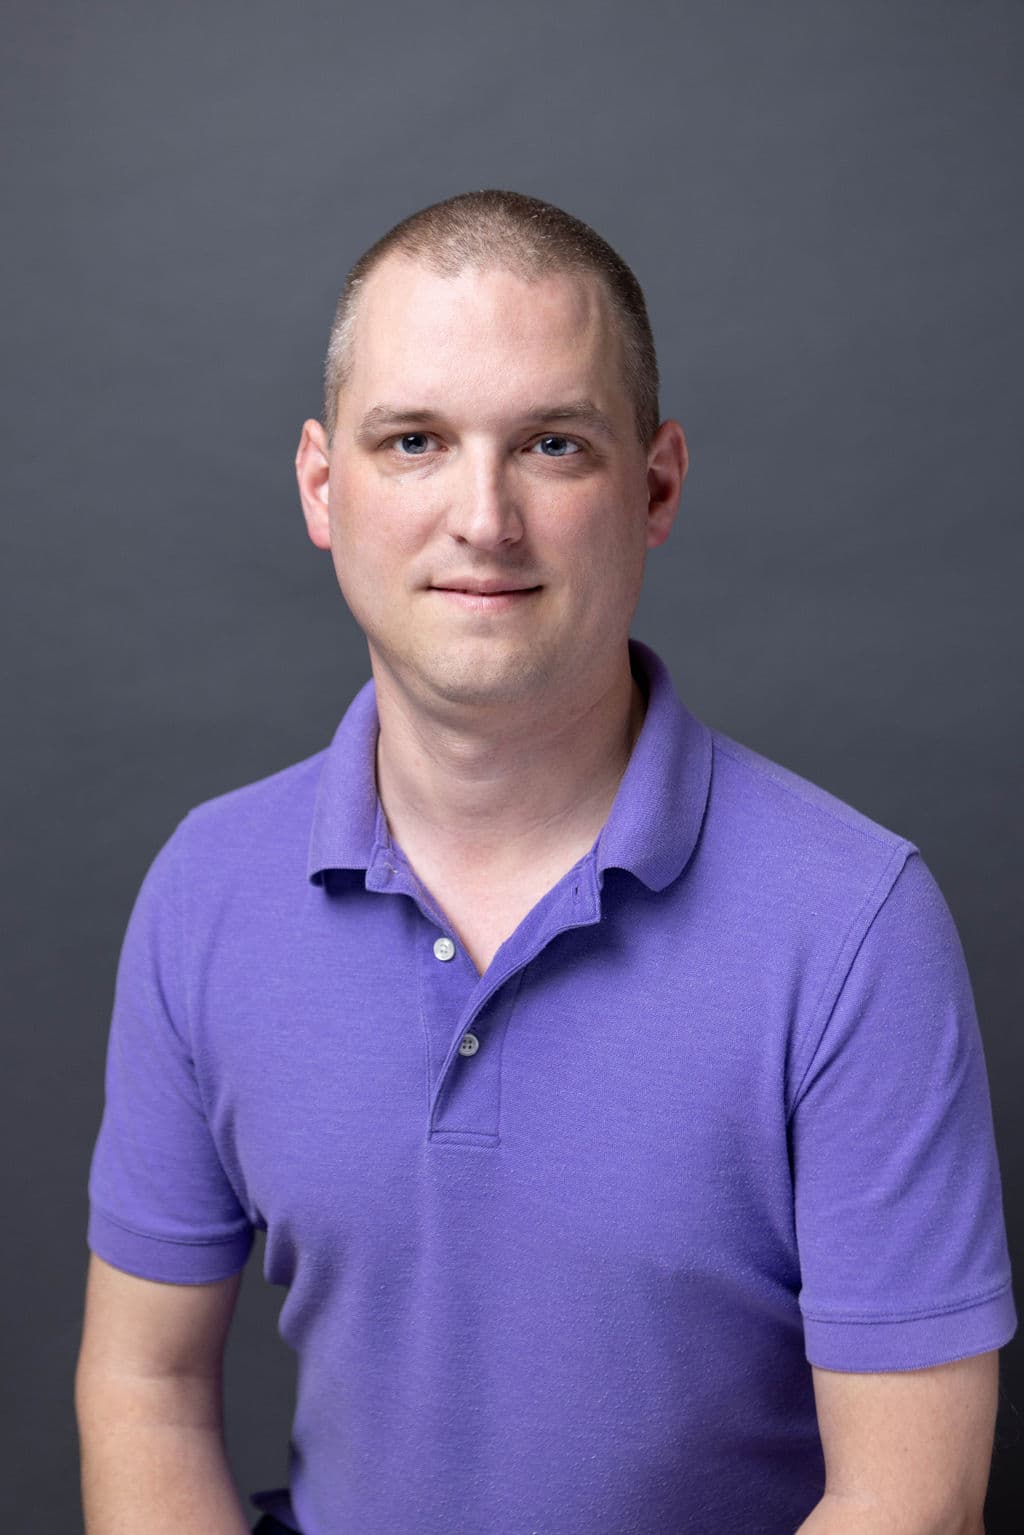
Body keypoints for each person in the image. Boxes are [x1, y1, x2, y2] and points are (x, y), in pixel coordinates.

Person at [75, 189, 1017, 1535]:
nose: (484, 517)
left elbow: (910, 1505)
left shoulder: (853, 921)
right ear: (323, 489)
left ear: (656, 487)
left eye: (552, 446)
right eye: (413, 441)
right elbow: (144, 1384)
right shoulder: (205, 889)